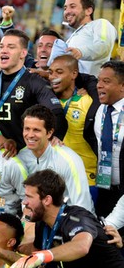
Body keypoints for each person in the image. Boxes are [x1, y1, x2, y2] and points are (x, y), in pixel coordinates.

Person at [0, 29, 67, 149]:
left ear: (23, 53)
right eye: (1, 47)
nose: (4, 50)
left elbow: (57, 113)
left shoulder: (34, 82)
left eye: (11, 47)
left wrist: (55, 137)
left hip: (27, 153)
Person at [16, 105, 93, 209]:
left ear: (49, 133)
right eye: (27, 129)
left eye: (36, 130)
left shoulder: (69, 159)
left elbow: (82, 205)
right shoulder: (21, 156)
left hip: (68, 216)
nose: (30, 135)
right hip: (34, 214)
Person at [49, 55, 98, 190]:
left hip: (85, 178)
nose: (53, 77)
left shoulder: (88, 101)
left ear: (74, 74)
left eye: (59, 72)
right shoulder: (48, 101)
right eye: (50, 72)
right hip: (55, 178)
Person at [92, 60, 124, 216]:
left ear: (122, 86)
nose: (99, 85)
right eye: (99, 81)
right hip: (104, 189)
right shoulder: (101, 110)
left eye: (106, 81)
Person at [63, 0, 116, 75]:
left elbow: (103, 45)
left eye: (72, 6)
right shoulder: (72, 37)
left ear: (88, 10)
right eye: (65, 8)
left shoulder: (101, 23)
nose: (67, 11)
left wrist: (80, 52)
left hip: (92, 82)